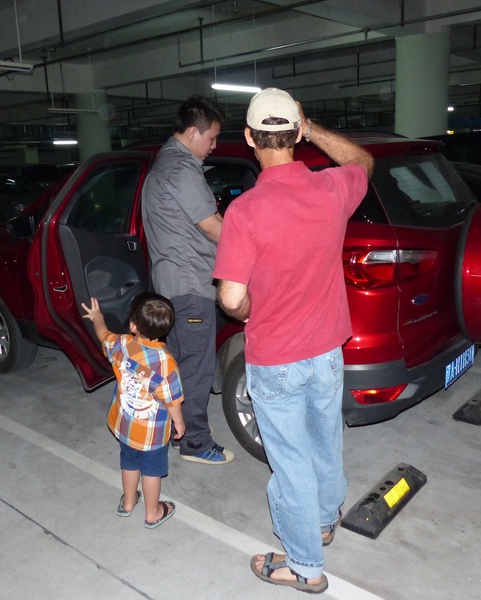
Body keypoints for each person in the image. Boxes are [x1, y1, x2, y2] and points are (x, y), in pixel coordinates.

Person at [213, 88, 374, 593]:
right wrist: (316, 128)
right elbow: (364, 160)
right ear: (297, 133)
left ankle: (304, 565)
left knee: (290, 462)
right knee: (325, 439)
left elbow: (231, 300)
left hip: (276, 356)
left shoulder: (246, 212)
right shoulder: (331, 189)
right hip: (328, 350)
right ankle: (325, 520)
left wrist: (258, 308)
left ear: (249, 139)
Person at [141, 96, 234, 465]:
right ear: (193, 132)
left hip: (170, 285)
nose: (214, 146)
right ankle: (195, 443)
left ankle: (175, 433)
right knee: (196, 369)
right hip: (190, 285)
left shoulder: (163, 163)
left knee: (179, 366)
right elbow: (212, 228)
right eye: (211, 138)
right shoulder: (181, 168)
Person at [81, 292, 185, 529]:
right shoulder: (165, 362)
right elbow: (171, 400)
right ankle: (153, 512)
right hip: (152, 434)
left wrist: (97, 315)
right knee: (151, 472)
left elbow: (102, 334)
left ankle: (128, 502)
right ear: (166, 328)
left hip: (125, 425)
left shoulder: (121, 344)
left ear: (132, 325)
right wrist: (179, 423)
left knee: (129, 463)